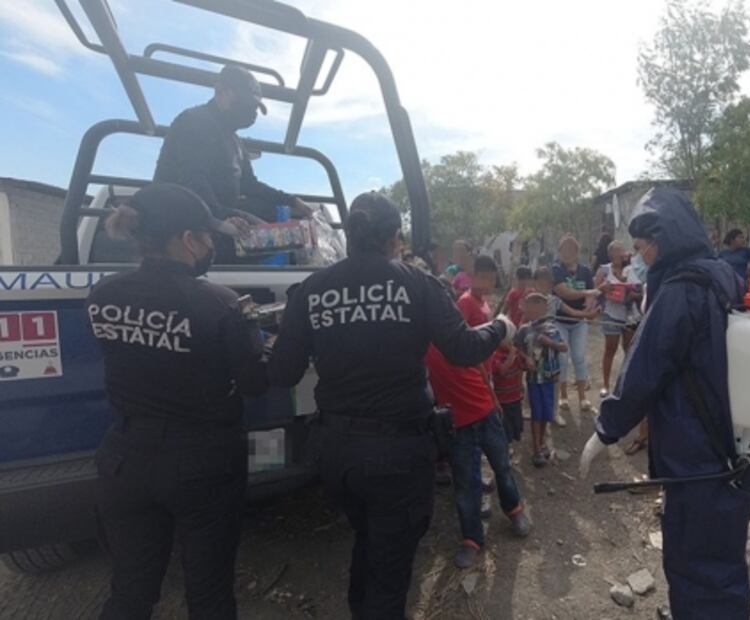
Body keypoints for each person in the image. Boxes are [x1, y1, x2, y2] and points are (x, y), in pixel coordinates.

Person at [267, 192, 514, 619]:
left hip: (336, 451)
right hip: (398, 454)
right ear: (395, 238)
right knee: (392, 560)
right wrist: (502, 327)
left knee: (367, 539)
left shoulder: (312, 289)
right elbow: (460, 348)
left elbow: (283, 372)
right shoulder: (417, 284)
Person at [85, 183, 267, 619]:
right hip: (201, 465)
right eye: (207, 237)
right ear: (188, 240)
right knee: (209, 595)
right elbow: (255, 383)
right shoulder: (220, 304)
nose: (210, 245)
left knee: (130, 591)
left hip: (125, 459)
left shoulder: (104, 295)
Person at [579, 188, 750, 619]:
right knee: (721, 560)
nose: (641, 256)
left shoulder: (682, 289)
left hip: (696, 451)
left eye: (643, 247)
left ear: (664, 238)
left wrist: (606, 429)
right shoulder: (721, 275)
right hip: (732, 444)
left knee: (698, 563)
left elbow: (644, 367)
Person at [154, 65, 313, 238]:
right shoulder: (196, 122)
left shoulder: (235, 140)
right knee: (268, 236)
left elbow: (250, 184)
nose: (250, 112)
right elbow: (193, 179)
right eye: (245, 103)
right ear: (220, 91)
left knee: (275, 226)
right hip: (183, 223)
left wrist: (292, 201)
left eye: (254, 107)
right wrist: (223, 219)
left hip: (216, 217)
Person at [424, 345, 531, 568]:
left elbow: (481, 367)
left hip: (485, 413)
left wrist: (494, 400)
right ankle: (472, 538)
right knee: (465, 484)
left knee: (502, 467)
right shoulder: (418, 340)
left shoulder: (454, 329)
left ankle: (514, 509)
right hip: (456, 424)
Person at [531, 266, 597, 427]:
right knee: (534, 380)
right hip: (535, 348)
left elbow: (573, 313)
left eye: (548, 283)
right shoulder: (530, 300)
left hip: (551, 349)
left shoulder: (555, 300)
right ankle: (534, 411)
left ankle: (554, 412)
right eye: (541, 283)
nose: (544, 286)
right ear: (535, 283)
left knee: (554, 376)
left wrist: (588, 315)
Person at [551, 234, 601, 416]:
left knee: (579, 358)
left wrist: (591, 307)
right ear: (559, 251)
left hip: (579, 322)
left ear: (577, 252)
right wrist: (589, 291)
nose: (568, 252)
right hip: (560, 320)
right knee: (562, 359)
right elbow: (563, 293)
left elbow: (591, 296)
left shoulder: (586, 271)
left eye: (571, 249)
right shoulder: (555, 269)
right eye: (564, 249)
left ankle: (582, 398)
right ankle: (563, 396)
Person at [516, 292, 568, 467]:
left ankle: (542, 443)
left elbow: (563, 347)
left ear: (544, 308)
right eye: (531, 306)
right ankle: (537, 449)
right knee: (536, 412)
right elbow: (516, 348)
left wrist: (549, 342)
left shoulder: (552, 328)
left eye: (538, 306)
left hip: (549, 377)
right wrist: (525, 359)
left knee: (547, 412)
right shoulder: (524, 329)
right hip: (533, 378)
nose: (534, 310)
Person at [594, 240, 643, 400]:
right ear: (610, 254)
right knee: (610, 349)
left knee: (629, 350)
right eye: (615, 251)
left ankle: (625, 384)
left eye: (620, 251)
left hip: (630, 315)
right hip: (611, 313)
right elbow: (594, 290)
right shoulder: (604, 270)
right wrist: (603, 288)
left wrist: (633, 294)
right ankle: (606, 385)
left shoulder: (632, 269)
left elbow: (641, 290)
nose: (618, 255)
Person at [492, 342, 526, 446]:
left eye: (511, 340)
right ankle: (506, 447)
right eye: (506, 340)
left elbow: (522, 366)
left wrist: (520, 385)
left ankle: (511, 443)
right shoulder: (494, 355)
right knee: (505, 428)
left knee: (516, 425)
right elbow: (502, 371)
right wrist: (512, 354)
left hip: (515, 397)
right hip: (502, 400)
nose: (509, 343)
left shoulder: (516, 352)